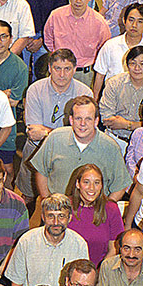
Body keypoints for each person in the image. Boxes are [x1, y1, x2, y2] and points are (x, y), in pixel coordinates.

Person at [18, 49, 90, 200]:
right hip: (35, 151)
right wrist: (67, 132)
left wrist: (46, 132)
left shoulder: (85, 93)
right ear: (50, 68)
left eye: (67, 69)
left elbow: (83, 134)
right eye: (57, 68)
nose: (62, 74)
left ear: (75, 69)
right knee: (28, 198)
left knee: (62, 201)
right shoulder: (35, 89)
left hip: (68, 155)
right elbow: (33, 132)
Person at [33, 96, 132, 201]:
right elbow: (41, 171)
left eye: (88, 119)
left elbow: (120, 186)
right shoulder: (55, 138)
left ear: (96, 121)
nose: (82, 124)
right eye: (78, 118)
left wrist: (104, 210)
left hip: (93, 212)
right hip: (59, 211)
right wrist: (48, 202)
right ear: (71, 120)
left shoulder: (110, 147)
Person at [4, 194, 88, 286]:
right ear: (43, 217)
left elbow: (82, 285)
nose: (56, 222)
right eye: (50, 216)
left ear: (69, 217)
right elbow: (16, 283)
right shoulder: (27, 241)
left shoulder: (79, 245)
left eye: (61, 216)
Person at [43, 0, 111, 85]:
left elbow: (104, 49)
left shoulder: (99, 22)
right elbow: (48, 39)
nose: (78, 1)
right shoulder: (56, 16)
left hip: (85, 74)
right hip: (59, 71)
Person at [94, 3, 143, 98]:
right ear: (124, 21)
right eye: (131, 20)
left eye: (140, 21)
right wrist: (95, 99)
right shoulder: (110, 45)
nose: (134, 25)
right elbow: (100, 75)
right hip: (112, 100)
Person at [0, 22, 28, 181]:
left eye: (3, 37)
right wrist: (3, 94)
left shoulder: (19, 67)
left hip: (6, 125)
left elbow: (14, 102)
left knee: (7, 170)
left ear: (11, 39)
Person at [100, 48, 143, 147]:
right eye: (133, 63)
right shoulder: (114, 83)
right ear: (127, 65)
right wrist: (141, 124)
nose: (137, 68)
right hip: (114, 139)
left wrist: (127, 125)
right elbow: (106, 118)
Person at [65, 164, 124, 266]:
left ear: (101, 185)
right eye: (86, 182)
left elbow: (114, 249)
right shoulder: (65, 206)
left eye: (96, 183)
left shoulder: (111, 209)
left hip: (99, 271)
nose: (91, 188)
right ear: (78, 184)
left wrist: (98, 273)